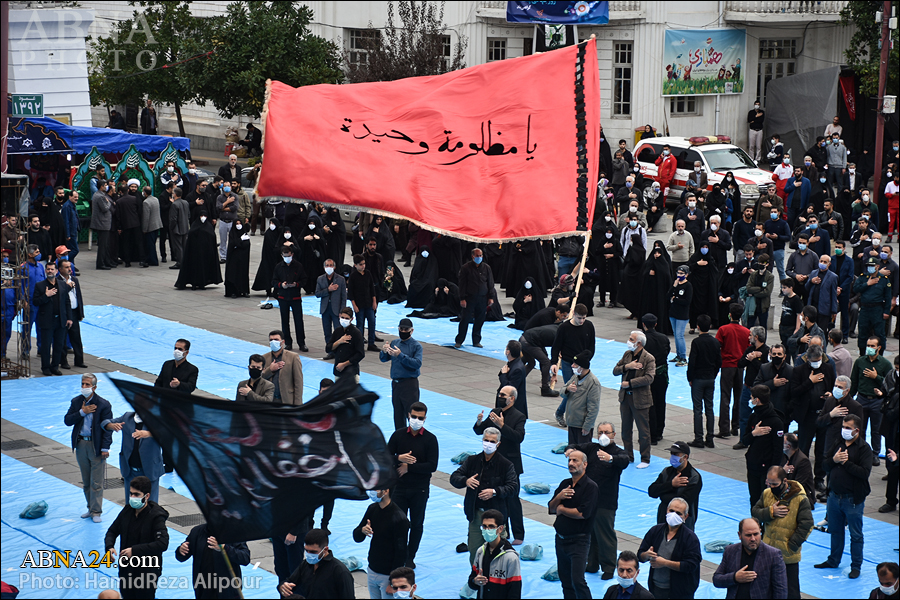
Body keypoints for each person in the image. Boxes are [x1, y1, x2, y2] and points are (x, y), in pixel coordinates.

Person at [815, 414, 873, 579]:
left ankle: (856, 566)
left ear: (857, 430)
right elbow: (825, 465)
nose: (844, 430)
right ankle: (833, 560)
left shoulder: (864, 449)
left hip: (852, 499)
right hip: (834, 497)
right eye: (843, 427)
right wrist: (834, 459)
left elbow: (864, 473)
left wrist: (845, 463)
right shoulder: (838, 443)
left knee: (856, 535)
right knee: (835, 531)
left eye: (848, 428)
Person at [569, 422, 629, 579]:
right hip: (589, 500)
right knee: (590, 533)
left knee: (605, 535)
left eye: (607, 432)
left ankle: (608, 567)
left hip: (606, 502)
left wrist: (611, 459)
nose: (603, 435)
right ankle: (592, 563)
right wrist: (570, 449)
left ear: (614, 434)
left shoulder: (617, 452)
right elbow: (576, 445)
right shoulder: (592, 448)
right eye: (600, 432)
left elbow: (624, 460)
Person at [450, 427, 518, 565]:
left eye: (492, 441)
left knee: (498, 555)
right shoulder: (472, 461)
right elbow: (454, 477)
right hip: (476, 516)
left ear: (498, 444)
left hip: (496, 517)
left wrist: (495, 492)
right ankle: (476, 580)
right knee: (474, 550)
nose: (488, 444)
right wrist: (466, 481)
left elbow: (513, 487)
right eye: (486, 440)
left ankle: (496, 583)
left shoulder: (506, 465)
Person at [388, 402, 439, 569]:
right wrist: (399, 458)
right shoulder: (398, 435)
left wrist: (409, 467)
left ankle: (411, 556)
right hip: (400, 488)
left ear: (425, 418)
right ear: (408, 415)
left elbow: (432, 465)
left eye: (421, 418)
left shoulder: (430, 439)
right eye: (414, 416)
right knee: (399, 523)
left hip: (420, 489)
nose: (417, 420)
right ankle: (398, 553)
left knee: (417, 524)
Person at [104, 476, 169, 599]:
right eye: (131, 494)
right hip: (126, 568)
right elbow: (112, 531)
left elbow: (162, 543)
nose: (132, 498)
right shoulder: (127, 510)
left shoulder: (156, 517)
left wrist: (134, 551)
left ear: (147, 496)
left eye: (136, 495)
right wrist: (109, 547)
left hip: (147, 570)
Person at [549, 449, 599, 600]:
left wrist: (562, 509)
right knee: (566, 581)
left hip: (578, 541)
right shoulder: (565, 484)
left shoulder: (591, 487)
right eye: (569, 460)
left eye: (575, 461)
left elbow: (582, 514)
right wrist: (559, 496)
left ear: (585, 464)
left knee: (578, 581)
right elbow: (551, 508)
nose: (571, 463)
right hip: (561, 539)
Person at [64, 374, 112, 523]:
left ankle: (96, 511)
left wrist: (105, 447)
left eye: (87, 384)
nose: (84, 387)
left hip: (95, 445)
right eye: (83, 384)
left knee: (96, 481)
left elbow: (107, 428)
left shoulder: (103, 404)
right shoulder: (77, 401)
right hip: (81, 444)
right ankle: (90, 507)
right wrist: (82, 412)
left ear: (94, 387)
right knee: (86, 480)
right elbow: (67, 420)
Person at [637, 498, 702, 599]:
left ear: (686, 516)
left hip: (680, 592)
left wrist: (665, 563)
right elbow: (640, 555)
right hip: (656, 588)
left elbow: (691, 565)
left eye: (678, 513)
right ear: (667, 510)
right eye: (671, 511)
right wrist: (647, 555)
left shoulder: (690, 539)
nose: (673, 515)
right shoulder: (655, 531)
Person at [353, 485, 409, 600]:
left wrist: (393, 581)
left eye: (375, 489)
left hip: (387, 574)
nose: (371, 492)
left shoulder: (399, 519)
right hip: (372, 568)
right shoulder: (372, 509)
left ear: (386, 491)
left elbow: (401, 553)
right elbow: (357, 537)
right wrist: (362, 530)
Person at [712, 518, 788, 599]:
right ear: (739, 535)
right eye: (748, 535)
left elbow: (780, 590)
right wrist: (734, 578)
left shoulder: (773, 555)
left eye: (756, 534)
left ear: (761, 532)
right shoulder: (730, 551)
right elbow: (717, 580)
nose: (753, 539)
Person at [102, 407, 165, 504]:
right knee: (130, 503)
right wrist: (111, 425)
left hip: (149, 470)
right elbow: (104, 422)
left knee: (151, 505)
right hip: (130, 470)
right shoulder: (127, 417)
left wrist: (148, 433)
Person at [175, 523, 251, 599]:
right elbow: (182, 557)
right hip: (203, 589)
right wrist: (180, 550)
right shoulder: (197, 532)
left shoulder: (233, 533)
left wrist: (225, 548)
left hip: (228, 590)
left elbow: (245, 558)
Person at [614, 330, 655, 467]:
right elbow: (615, 370)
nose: (628, 341)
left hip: (640, 399)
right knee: (626, 429)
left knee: (643, 431)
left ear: (638, 343)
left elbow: (649, 378)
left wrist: (630, 383)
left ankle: (645, 458)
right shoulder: (627, 355)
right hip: (625, 397)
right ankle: (628, 455)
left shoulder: (649, 358)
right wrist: (627, 366)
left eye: (631, 339)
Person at [550, 304, 596, 426]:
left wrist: (586, 361)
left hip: (583, 363)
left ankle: (572, 414)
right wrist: (553, 362)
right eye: (579, 318)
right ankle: (560, 413)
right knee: (571, 389)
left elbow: (591, 346)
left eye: (584, 318)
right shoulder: (564, 327)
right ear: (573, 314)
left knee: (582, 390)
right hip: (568, 363)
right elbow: (556, 346)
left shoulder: (589, 326)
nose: (581, 321)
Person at [279, 529, 355, 599]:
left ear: (325, 549)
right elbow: (289, 582)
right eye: (306, 550)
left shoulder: (340, 571)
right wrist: (283, 587)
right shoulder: (306, 564)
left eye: (313, 552)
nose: (308, 554)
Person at [850, 336, 892, 463]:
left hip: (876, 401)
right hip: (861, 398)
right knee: (860, 428)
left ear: (879, 348)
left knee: (876, 430)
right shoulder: (860, 362)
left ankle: (875, 453)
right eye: (868, 345)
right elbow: (854, 381)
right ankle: (860, 451)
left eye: (872, 346)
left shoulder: (885, 364)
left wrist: (876, 377)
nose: (869, 348)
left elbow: (890, 384)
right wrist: (850, 398)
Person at [742, 385, 785, 506]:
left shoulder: (776, 421)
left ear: (757, 400)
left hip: (766, 468)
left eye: (751, 398)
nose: (750, 400)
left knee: (766, 501)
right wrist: (754, 434)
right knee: (754, 499)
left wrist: (773, 473)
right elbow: (745, 441)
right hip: (752, 465)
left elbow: (778, 449)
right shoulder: (753, 417)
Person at [467, 509, 523, 599]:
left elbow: (515, 591)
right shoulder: (480, 551)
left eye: (491, 526)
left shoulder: (511, 557)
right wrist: (475, 581)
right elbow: (472, 581)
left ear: (500, 529)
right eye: (484, 526)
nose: (487, 530)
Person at [380, 318, 423, 431]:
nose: (403, 331)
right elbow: (384, 359)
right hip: (396, 384)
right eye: (401, 329)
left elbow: (417, 364)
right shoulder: (395, 343)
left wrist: (400, 355)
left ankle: (414, 438)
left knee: (412, 415)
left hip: (409, 384)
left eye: (406, 329)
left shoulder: (416, 346)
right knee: (397, 415)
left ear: (411, 330)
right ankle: (400, 438)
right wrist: (384, 351)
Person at [648, 442, 703, 531]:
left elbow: (683, 502)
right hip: (663, 519)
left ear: (685, 457)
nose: (673, 457)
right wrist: (671, 484)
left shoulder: (694, 477)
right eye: (672, 454)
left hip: (683, 523)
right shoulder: (667, 471)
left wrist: (663, 495)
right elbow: (652, 491)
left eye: (676, 454)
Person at [687, 314, 722, 448]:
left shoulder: (696, 342)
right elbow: (718, 361)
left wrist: (690, 377)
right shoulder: (715, 342)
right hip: (710, 377)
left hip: (698, 378)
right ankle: (710, 437)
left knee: (697, 409)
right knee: (709, 408)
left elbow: (692, 362)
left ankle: (699, 438)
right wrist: (714, 373)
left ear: (698, 326)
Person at [32, 261, 72, 376]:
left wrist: (69, 318)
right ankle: (45, 367)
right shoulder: (40, 285)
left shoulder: (62, 284)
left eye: (52, 269)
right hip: (47, 321)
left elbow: (67, 302)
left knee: (59, 345)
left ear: (56, 271)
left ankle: (55, 366)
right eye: (48, 269)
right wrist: (46, 296)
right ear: (45, 271)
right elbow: (35, 302)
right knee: (46, 345)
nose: (50, 271)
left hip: (60, 320)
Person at [715, 305, 748, 441]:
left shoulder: (723, 329)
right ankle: (736, 426)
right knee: (738, 397)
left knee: (725, 396)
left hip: (727, 365)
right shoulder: (746, 331)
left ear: (730, 315)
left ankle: (724, 428)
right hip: (740, 367)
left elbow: (717, 347)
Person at [816, 375, 864, 465]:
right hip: (829, 444)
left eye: (840, 387)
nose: (836, 389)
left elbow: (859, 431)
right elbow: (819, 422)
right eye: (835, 386)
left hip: (845, 448)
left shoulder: (856, 406)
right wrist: (831, 415)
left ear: (847, 390)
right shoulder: (829, 401)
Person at [735, 326, 771, 445]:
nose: (748, 337)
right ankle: (743, 440)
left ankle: (760, 439)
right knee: (744, 415)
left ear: (756, 337)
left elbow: (766, 369)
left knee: (760, 416)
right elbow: (740, 364)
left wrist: (755, 360)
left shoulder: (766, 351)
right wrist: (749, 357)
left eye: (750, 335)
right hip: (747, 387)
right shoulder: (750, 349)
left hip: (760, 390)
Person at [456, 248, 495, 349]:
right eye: (477, 256)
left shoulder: (486, 268)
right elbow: (462, 284)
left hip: (482, 298)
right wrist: (462, 298)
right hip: (469, 298)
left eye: (481, 256)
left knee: (480, 319)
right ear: (472, 256)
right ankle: (459, 340)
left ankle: (476, 340)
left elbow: (490, 283)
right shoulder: (465, 268)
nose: (479, 258)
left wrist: (491, 297)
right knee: (465, 319)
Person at [853, 256, 892, 357]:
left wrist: (886, 311)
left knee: (880, 333)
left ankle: (880, 355)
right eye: (868, 266)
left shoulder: (883, 279)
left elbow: (888, 297)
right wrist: (867, 284)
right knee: (862, 332)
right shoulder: (863, 277)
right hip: (865, 309)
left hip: (877, 309)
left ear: (878, 266)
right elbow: (856, 288)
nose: (870, 268)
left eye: (872, 266)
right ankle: (862, 355)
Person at [174, 211, 222, 290]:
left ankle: (202, 283)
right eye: (201, 215)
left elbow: (212, 237)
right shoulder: (194, 225)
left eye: (205, 216)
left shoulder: (209, 226)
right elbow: (191, 237)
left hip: (205, 254)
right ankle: (194, 282)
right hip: (194, 253)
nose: (203, 217)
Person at [642, 314, 671, 444]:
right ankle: (659, 431)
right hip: (662, 375)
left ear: (643, 324)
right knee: (661, 402)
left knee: (649, 404)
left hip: (648, 376)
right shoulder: (663, 338)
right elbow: (667, 351)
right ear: (656, 324)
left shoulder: (643, 340)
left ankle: (651, 433)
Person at [562, 351, 601, 446]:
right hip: (572, 422)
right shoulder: (575, 377)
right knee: (572, 452)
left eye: (575, 364)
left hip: (582, 425)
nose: (572, 366)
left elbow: (593, 408)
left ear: (582, 367)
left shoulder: (593, 383)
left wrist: (587, 426)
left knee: (583, 454)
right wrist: (567, 389)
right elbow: (561, 392)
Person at [57, 260, 86, 369]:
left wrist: (80, 312)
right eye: (66, 267)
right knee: (63, 338)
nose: (69, 269)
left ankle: (79, 360)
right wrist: (67, 286)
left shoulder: (75, 280)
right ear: (60, 269)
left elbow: (79, 297)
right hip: (63, 313)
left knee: (76, 338)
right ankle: (63, 361)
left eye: (70, 267)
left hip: (74, 312)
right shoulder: (57, 281)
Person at [261, 330, 303, 405]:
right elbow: (259, 378)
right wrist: (270, 370)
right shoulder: (264, 358)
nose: (273, 342)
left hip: (287, 400)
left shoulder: (293, 357)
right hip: (269, 401)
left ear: (282, 342)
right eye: (271, 340)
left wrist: (298, 404)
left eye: (276, 340)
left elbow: (298, 382)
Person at [348, 253, 380, 352]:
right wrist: (354, 305)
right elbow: (351, 293)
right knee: (360, 325)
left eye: (364, 264)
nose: (363, 266)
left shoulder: (368, 274)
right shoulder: (353, 276)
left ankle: (371, 343)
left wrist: (374, 301)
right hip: (359, 304)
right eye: (361, 264)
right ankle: (360, 343)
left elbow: (372, 288)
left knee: (372, 322)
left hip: (369, 303)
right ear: (355, 265)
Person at [755, 344, 794, 424]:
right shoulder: (764, 368)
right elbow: (756, 387)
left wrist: (789, 410)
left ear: (784, 356)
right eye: (774, 354)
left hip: (783, 414)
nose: (776, 356)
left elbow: (794, 393)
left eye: (779, 354)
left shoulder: (791, 371)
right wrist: (772, 384)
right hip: (766, 412)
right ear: (770, 355)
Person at [668, 265, 693, 365]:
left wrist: (676, 299)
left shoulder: (688, 286)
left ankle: (683, 357)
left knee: (679, 335)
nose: (679, 275)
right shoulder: (676, 284)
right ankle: (678, 355)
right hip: (673, 313)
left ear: (686, 275)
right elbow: (668, 296)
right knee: (675, 335)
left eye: (681, 274)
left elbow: (687, 301)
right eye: (678, 273)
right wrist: (674, 286)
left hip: (682, 315)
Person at [115, 179, 142, 268]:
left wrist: (119, 226)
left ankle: (127, 261)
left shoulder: (119, 201)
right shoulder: (134, 199)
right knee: (139, 242)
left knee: (126, 243)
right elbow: (139, 210)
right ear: (128, 190)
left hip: (125, 225)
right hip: (136, 223)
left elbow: (118, 216)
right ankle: (142, 260)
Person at [781, 432, 815, 499]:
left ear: (788, 446)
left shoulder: (803, 461)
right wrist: (783, 471)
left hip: (802, 496)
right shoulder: (784, 456)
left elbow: (798, 485)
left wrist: (781, 473)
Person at [90, 180, 114, 270]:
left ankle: (106, 261)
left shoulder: (99, 195)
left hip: (103, 223)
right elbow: (105, 208)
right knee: (103, 245)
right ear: (101, 186)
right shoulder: (100, 196)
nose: (106, 186)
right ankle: (101, 263)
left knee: (106, 244)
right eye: (105, 185)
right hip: (102, 223)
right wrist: (109, 202)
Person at [223, 220, 251, 298]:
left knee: (243, 274)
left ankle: (244, 291)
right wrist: (240, 241)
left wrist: (238, 243)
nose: (238, 225)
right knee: (233, 274)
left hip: (243, 259)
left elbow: (246, 244)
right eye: (237, 224)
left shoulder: (244, 233)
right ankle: (233, 291)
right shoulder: (232, 233)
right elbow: (232, 244)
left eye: (240, 223)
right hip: (234, 259)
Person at [763, 205, 791, 282]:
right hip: (768, 251)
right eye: (771, 212)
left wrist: (777, 237)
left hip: (779, 249)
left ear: (779, 213)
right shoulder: (767, 223)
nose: (773, 213)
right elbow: (762, 234)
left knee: (781, 271)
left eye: (775, 212)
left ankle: (783, 289)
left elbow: (788, 237)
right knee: (767, 271)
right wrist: (766, 236)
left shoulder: (783, 223)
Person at [139, 186, 161, 268]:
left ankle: (153, 260)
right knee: (153, 243)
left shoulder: (146, 202)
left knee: (150, 244)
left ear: (144, 192)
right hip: (157, 224)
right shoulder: (156, 199)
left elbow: (146, 217)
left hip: (150, 226)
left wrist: (144, 229)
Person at [168, 188, 190, 269]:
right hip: (185, 227)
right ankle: (185, 261)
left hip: (177, 229)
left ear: (175, 194)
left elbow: (173, 219)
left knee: (178, 246)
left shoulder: (174, 205)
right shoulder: (185, 202)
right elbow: (188, 215)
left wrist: (171, 228)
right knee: (184, 246)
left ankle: (180, 262)